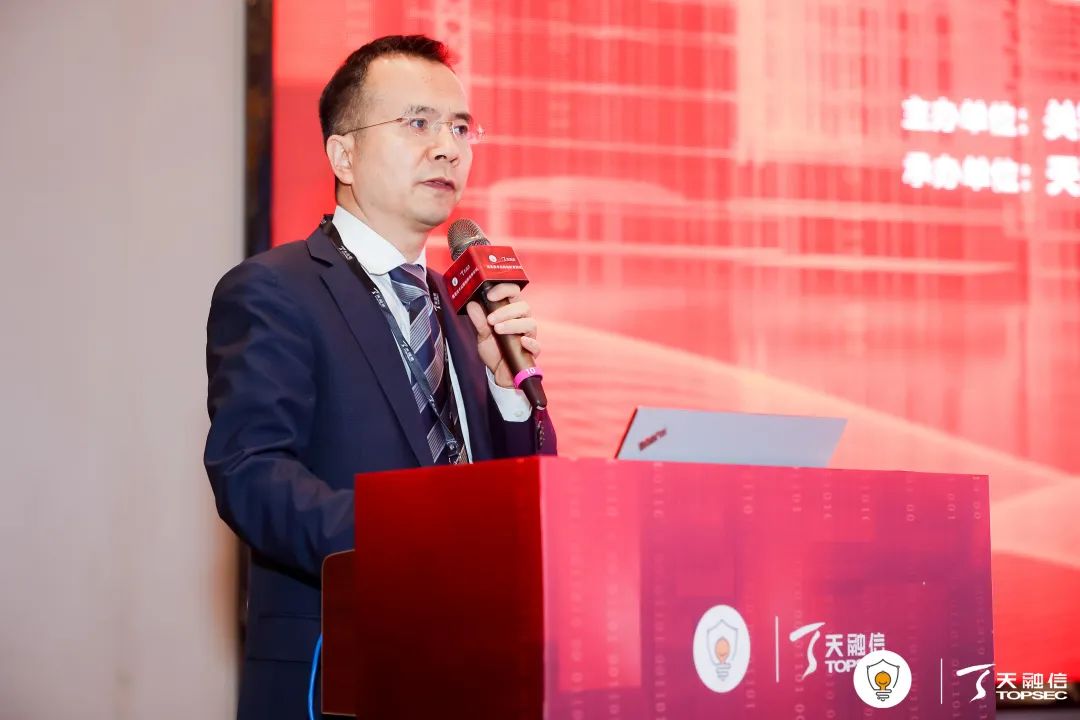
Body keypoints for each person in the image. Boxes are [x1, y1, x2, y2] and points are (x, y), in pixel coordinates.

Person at [204, 34, 556, 720]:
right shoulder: (276, 290)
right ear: (344, 154)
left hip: (474, 666)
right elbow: (251, 474)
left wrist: (509, 393)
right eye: (418, 123)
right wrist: (414, 542)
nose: (448, 148)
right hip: (338, 670)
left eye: (460, 128)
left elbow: (525, 500)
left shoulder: (465, 309)